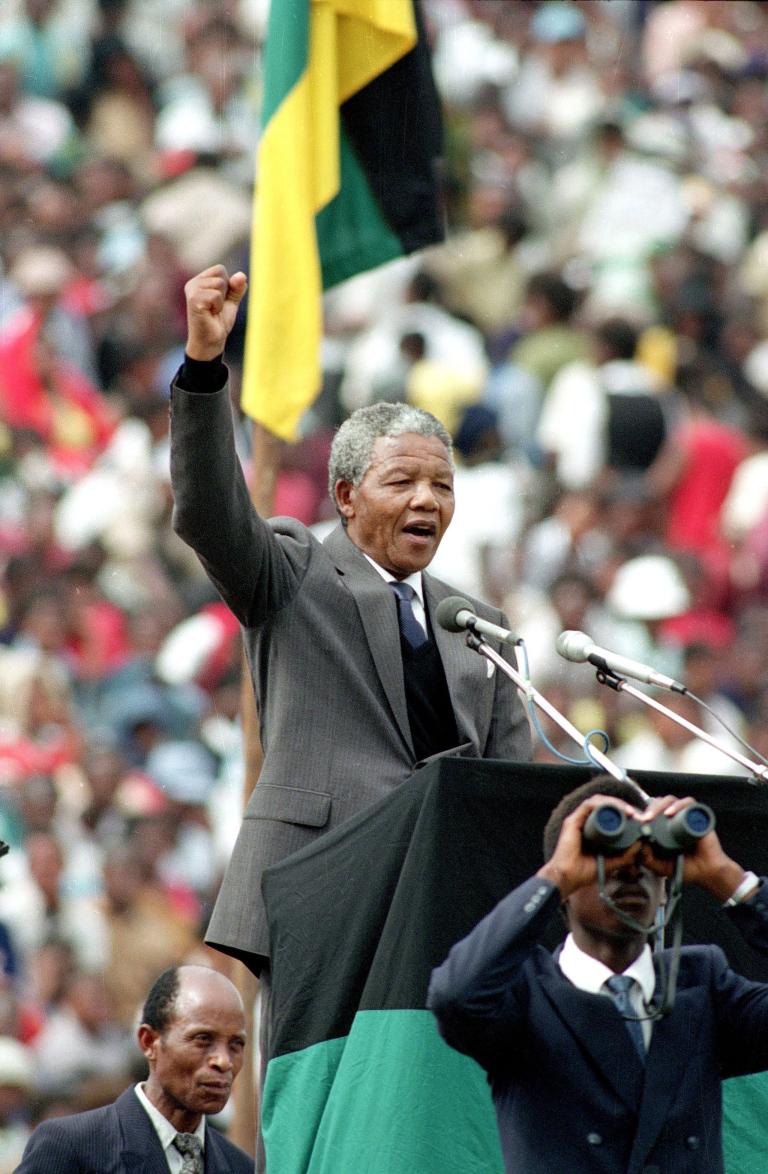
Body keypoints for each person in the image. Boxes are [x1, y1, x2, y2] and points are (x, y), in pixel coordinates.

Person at [169, 265, 532, 983]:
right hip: (321, 896)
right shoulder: (293, 573)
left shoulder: (479, 626)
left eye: (442, 486)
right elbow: (209, 510)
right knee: (325, 1096)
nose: (426, 501)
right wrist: (206, 367)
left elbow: (509, 794)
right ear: (344, 495)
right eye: (401, 482)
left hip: (443, 920)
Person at [428, 776, 768, 1174]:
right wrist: (554, 875)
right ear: (568, 884)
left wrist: (730, 881)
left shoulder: (702, 984)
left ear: (666, 887)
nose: (630, 871)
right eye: (606, 855)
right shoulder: (524, 997)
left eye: (649, 857)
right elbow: (455, 997)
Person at [15, 963, 252, 1173]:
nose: (223, 1061)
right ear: (149, 1042)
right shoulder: (71, 1147)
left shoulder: (240, 1166)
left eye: (236, 1045)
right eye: (203, 1039)